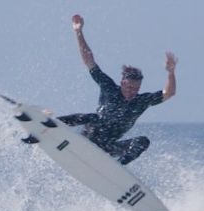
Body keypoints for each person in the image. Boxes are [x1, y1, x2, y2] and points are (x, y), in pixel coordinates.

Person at [57, 14, 177, 165]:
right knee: (93, 117)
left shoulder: (142, 101)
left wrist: (171, 72)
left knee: (143, 141)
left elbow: (169, 93)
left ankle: (118, 165)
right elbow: (89, 61)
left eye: (135, 88)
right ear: (122, 82)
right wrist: (78, 32)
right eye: (128, 86)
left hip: (107, 148)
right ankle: (52, 124)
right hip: (88, 137)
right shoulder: (109, 87)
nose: (131, 91)